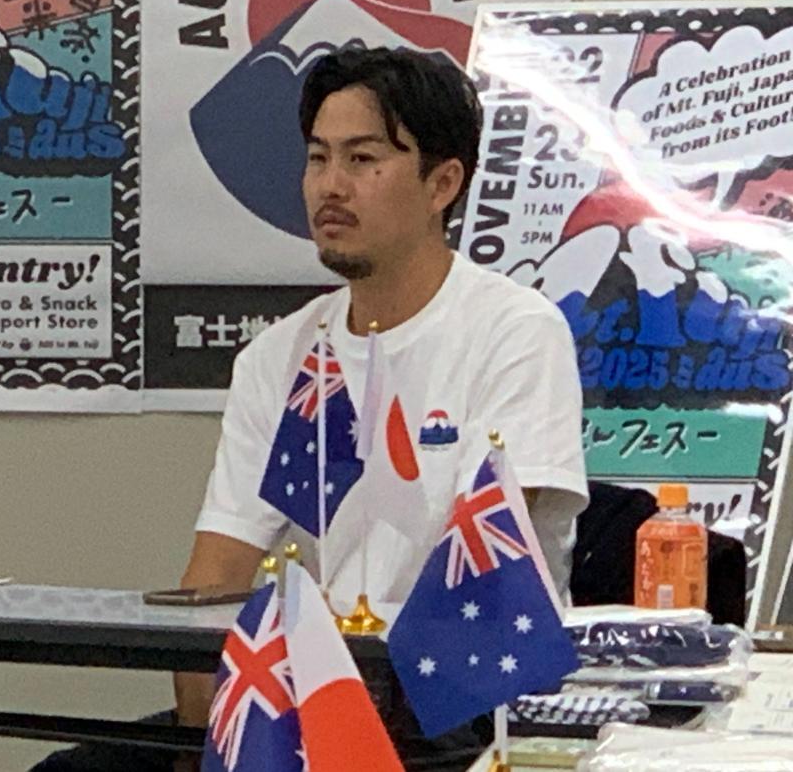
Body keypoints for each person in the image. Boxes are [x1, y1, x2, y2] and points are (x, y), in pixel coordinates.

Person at [37, 46, 586, 771]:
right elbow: (214, 579)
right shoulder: (281, 356)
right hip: (302, 695)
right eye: (318, 158)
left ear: (442, 183)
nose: (331, 186)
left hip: (455, 708)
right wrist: (200, 748)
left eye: (362, 160)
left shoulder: (515, 332)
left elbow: (481, 580)